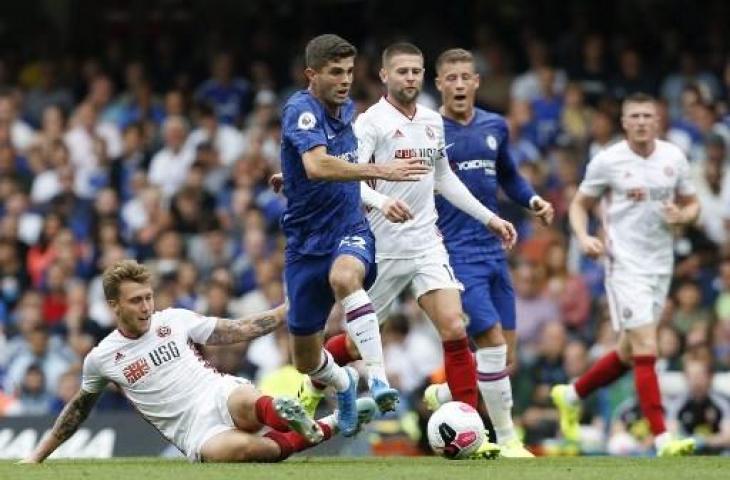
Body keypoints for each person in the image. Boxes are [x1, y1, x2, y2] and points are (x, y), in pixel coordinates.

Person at [296, 42, 516, 459]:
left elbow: (444, 179)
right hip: (381, 246)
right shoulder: (370, 124)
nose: (410, 78)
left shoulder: (433, 121)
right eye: (402, 71)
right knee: (358, 345)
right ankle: (312, 383)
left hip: (426, 243)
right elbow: (349, 179)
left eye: (416, 71)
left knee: (454, 327)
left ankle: (472, 431)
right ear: (384, 76)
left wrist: (489, 217)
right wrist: (381, 202)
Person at [19, 259, 377, 464]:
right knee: (249, 451)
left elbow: (237, 329)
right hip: (194, 432)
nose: (146, 307)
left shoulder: (173, 319)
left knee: (245, 401)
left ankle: (285, 412)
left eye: (148, 298)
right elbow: (78, 410)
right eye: (136, 301)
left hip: (216, 392)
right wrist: (37, 457)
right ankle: (326, 422)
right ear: (114, 306)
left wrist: (287, 311)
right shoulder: (101, 358)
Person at [278, 34, 429, 436]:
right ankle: (344, 385)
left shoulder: (345, 109)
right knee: (306, 360)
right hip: (305, 243)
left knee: (345, 278)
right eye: (335, 72)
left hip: (349, 228)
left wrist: (289, 173)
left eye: (349, 71)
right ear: (312, 74)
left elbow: (330, 162)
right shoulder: (301, 109)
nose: (345, 80)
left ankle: (377, 379)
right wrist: (380, 171)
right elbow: (317, 166)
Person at [420, 48, 554, 457]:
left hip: (494, 250)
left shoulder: (496, 125)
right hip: (455, 251)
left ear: (477, 82)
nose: (459, 84)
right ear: (440, 84)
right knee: (492, 342)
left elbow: (510, 176)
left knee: (505, 356)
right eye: (451, 78)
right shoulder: (429, 131)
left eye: (466, 77)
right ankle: (507, 439)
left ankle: (447, 391)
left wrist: (533, 201)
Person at [551, 92, 699, 457]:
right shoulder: (608, 161)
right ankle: (663, 438)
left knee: (630, 352)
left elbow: (692, 203)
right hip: (624, 265)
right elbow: (579, 205)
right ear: (624, 122)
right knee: (647, 346)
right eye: (634, 116)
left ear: (658, 119)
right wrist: (584, 236)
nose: (642, 122)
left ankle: (571, 394)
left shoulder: (674, 158)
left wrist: (683, 216)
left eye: (648, 115)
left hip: (661, 264)